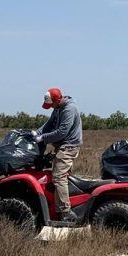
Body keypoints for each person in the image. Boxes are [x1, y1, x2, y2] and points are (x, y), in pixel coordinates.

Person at [32, 88, 82, 221]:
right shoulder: (58, 107)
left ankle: (65, 212)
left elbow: (62, 132)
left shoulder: (69, 109)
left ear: (58, 100)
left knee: (59, 177)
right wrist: (37, 133)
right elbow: (49, 124)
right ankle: (71, 202)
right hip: (61, 145)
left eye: (51, 104)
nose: (51, 107)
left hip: (69, 146)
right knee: (63, 176)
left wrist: (43, 138)